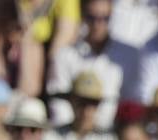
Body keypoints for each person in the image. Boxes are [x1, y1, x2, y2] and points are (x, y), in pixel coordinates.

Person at [46, 0, 141, 132]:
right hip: (70, 135)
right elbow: (58, 103)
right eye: (92, 18)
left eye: (104, 18)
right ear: (83, 16)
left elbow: (130, 102)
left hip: (112, 137)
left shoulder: (128, 55)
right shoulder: (65, 55)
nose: (98, 24)